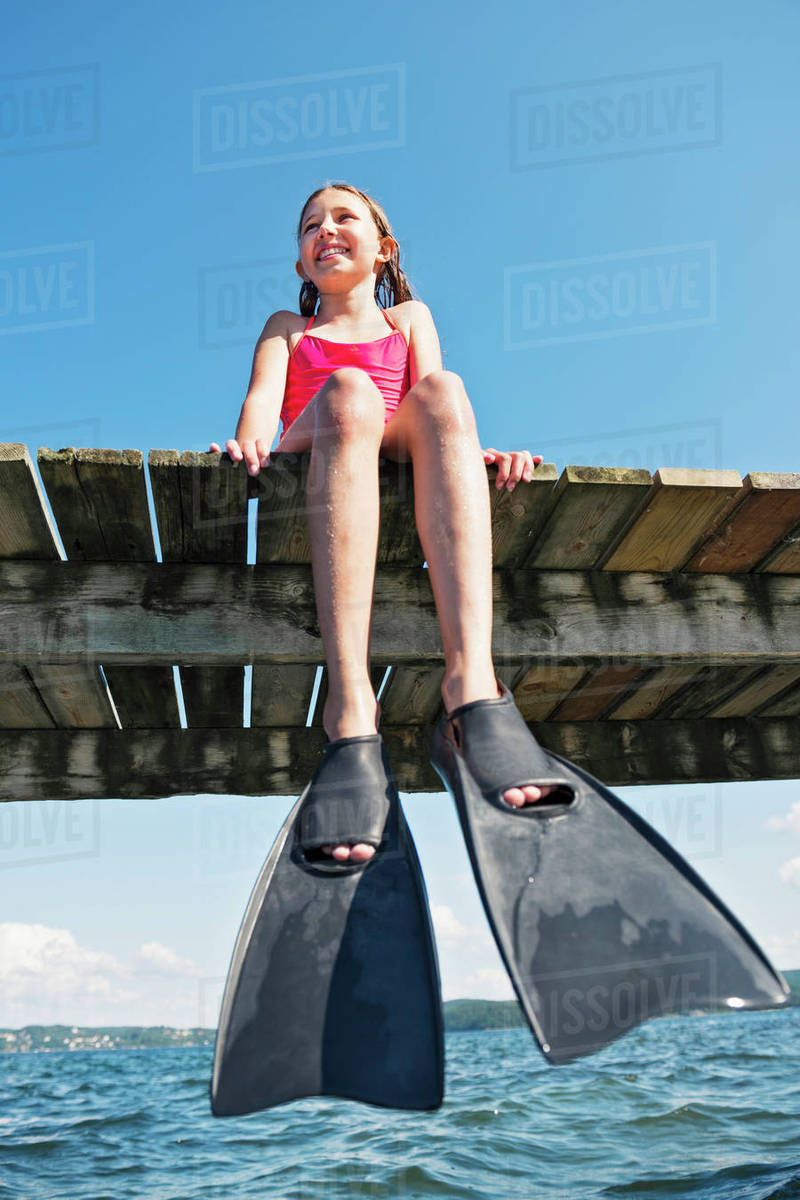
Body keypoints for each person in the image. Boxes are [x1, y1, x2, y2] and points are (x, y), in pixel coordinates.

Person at [210, 181, 555, 862]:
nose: (326, 230)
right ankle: (350, 709)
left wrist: (468, 446)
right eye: (311, 225)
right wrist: (246, 444)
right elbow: (260, 415)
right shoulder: (289, 329)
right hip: (321, 441)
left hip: (396, 439)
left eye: (344, 219)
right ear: (303, 262)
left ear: (383, 250)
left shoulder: (409, 319)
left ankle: (472, 684)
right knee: (348, 391)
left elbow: (432, 398)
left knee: (448, 391)